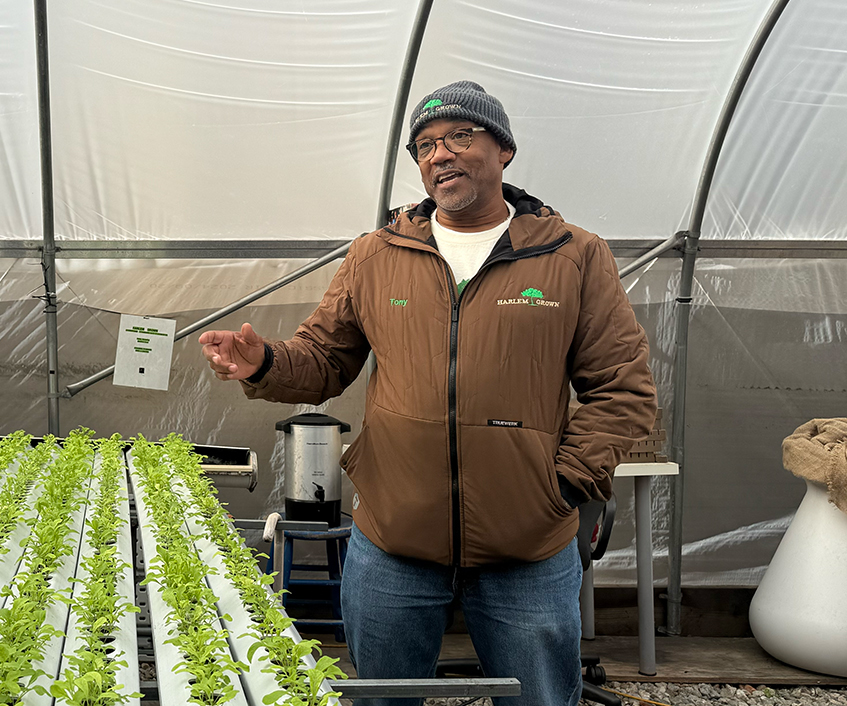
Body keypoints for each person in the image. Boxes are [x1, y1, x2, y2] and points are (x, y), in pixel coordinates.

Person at [198, 80, 657, 706]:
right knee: (385, 698)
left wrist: (563, 486)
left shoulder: (573, 256)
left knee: (542, 699)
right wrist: (265, 362)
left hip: (527, 546)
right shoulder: (376, 254)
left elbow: (622, 390)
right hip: (394, 540)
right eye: (424, 146)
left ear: (505, 152)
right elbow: (326, 361)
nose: (440, 154)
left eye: (460, 137)